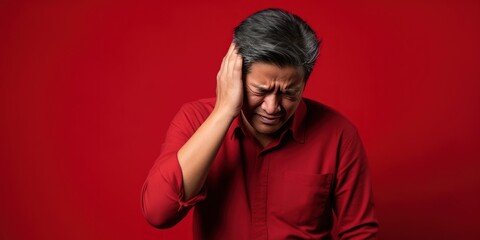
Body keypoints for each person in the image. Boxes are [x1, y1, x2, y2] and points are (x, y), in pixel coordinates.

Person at [142, 8, 379, 239]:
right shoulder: (195, 119)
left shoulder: (339, 135)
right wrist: (223, 112)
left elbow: (360, 233)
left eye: (289, 93)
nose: (272, 107)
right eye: (260, 90)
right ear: (235, 77)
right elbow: (159, 214)